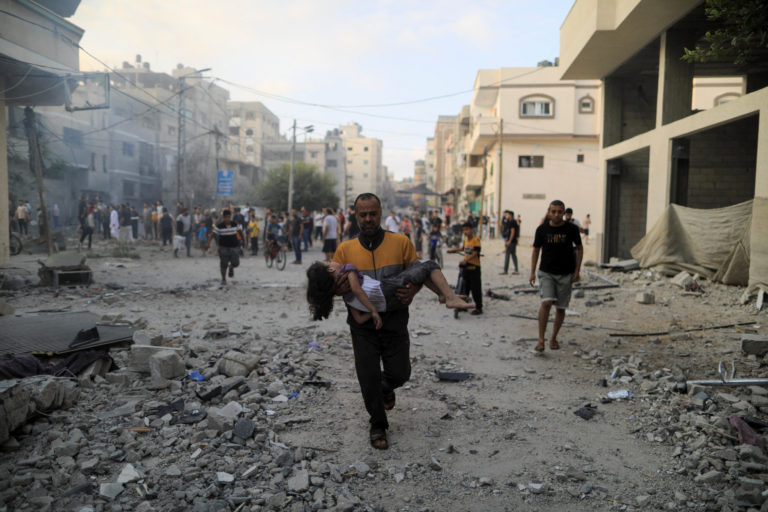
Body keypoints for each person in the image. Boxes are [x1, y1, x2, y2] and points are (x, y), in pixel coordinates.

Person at [331, 192, 421, 450]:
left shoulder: (401, 242)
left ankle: (386, 387)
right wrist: (335, 287)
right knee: (367, 375)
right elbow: (333, 285)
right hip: (362, 326)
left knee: (401, 374)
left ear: (381, 213)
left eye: (373, 214)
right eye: (363, 215)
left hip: (395, 320)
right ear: (356, 216)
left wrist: (413, 290)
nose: (368, 219)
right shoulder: (345, 250)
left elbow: (417, 272)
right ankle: (377, 423)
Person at [306, 259, 470, 328]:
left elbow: (358, 318)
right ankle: (450, 297)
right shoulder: (348, 270)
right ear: (331, 269)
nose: (333, 260)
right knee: (428, 265)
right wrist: (374, 310)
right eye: (328, 261)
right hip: (387, 290)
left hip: (389, 305)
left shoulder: (346, 298)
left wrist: (374, 311)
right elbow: (358, 289)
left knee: (418, 269)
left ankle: (442, 295)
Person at [529, 200, 583, 352]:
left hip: (566, 274)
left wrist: (577, 271)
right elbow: (536, 250)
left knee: (560, 308)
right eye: (554, 211)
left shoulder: (571, 229)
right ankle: (541, 339)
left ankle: (553, 337)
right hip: (546, 272)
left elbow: (579, 248)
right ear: (549, 212)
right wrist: (532, 272)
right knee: (546, 303)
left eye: (560, 211)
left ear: (564, 212)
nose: (557, 214)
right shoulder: (542, 229)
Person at [449, 222, 483, 315]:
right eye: (464, 230)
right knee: (465, 288)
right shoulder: (466, 240)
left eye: (467, 229)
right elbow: (463, 249)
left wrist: (466, 260)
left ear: (471, 229)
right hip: (466, 268)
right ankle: (464, 306)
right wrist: (454, 250)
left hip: (474, 268)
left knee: (476, 289)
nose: (465, 232)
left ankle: (479, 308)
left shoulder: (476, 240)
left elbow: (475, 253)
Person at [205, 209, 245, 285]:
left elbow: (241, 233)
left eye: (229, 217)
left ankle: (231, 267)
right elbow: (212, 235)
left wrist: (243, 241)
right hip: (223, 247)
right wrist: (208, 244)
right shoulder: (220, 226)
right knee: (223, 264)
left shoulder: (235, 224)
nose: (227, 219)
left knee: (236, 263)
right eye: (226, 217)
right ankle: (223, 279)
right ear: (223, 217)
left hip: (234, 247)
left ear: (231, 217)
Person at [500, 210, 519, 275]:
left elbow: (512, 232)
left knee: (508, 255)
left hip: (512, 241)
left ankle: (506, 270)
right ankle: (516, 269)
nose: (506, 216)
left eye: (507, 215)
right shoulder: (509, 221)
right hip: (511, 241)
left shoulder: (512, 222)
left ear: (510, 215)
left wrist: (509, 241)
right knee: (513, 255)